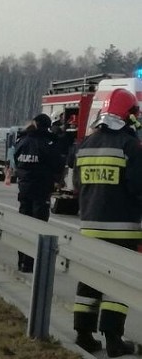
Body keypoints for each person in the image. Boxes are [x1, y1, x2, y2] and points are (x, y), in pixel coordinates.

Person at [72, 88, 142, 356]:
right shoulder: (130, 146)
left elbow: (78, 184)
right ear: (130, 115)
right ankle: (114, 338)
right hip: (123, 227)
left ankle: (83, 334)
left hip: (89, 224)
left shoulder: (86, 144)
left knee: (88, 280)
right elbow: (138, 187)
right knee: (118, 283)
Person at [13, 113, 62, 273]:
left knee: (24, 227)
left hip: (24, 190)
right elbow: (57, 164)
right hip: (41, 191)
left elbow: (16, 162)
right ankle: (33, 263)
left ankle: (22, 262)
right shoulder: (49, 143)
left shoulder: (22, 141)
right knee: (39, 228)